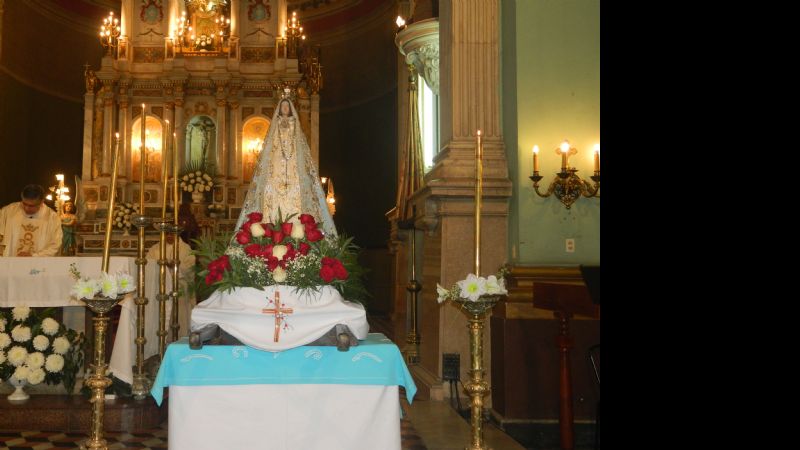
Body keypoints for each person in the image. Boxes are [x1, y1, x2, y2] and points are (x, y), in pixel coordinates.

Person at [236, 94, 336, 235]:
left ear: (290, 109)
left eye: (286, 106)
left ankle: (296, 230)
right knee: (271, 189)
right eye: (282, 106)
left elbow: (298, 145)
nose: (284, 108)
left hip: (292, 163)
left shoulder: (294, 123)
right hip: (277, 163)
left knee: (295, 189)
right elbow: (271, 145)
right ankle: (271, 228)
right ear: (279, 108)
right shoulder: (275, 124)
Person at [147, 233, 197, 337]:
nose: (169, 236)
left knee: (179, 316)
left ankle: (180, 338)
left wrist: (173, 266)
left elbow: (190, 269)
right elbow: (148, 265)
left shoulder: (186, 248)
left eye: (171, 234)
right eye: (167, 234)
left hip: (179, 287)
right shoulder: (155, 248)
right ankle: (161, 341)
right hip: (160, 287)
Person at [0, 184, 63, 257]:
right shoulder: (8, 212)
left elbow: (55, 245)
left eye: (31, 206)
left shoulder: (52, 218)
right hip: (10, 264)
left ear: (42, 202)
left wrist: (34, 256)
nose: (26, 208)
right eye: (24, 204)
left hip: (38, 265)